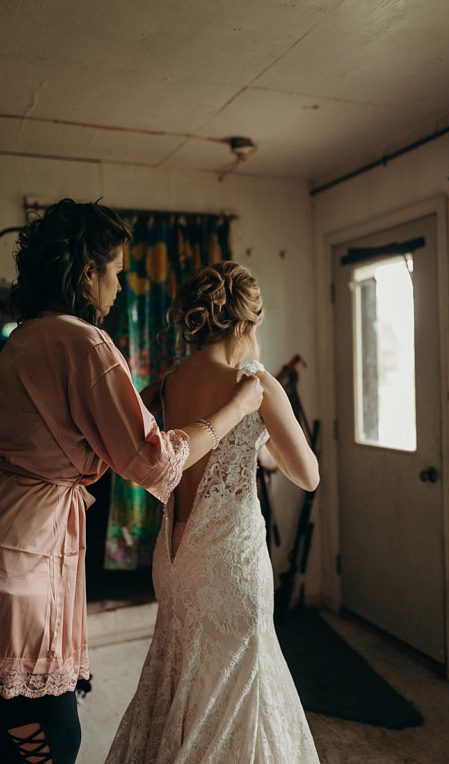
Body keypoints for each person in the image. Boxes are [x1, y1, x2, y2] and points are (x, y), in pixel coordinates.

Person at [0, 200, 263, 764]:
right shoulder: (86, 343)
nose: (120, 285)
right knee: (49, 736)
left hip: (13, 525)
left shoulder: (27, 337)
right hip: (28, 552)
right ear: (88, 271)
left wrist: (145, 404)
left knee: (26, 723)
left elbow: (79, 430)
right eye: (116, 270)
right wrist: (238, 406)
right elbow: (156, 465)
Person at [106, 261, 320, 763]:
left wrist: (260, 441)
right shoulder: (255, 385)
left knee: (182, 674)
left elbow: (205, 451)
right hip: (230, 563)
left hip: (176, 558)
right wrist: (268, 408)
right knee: (239, 689)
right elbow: (307, 474)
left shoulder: (172, 381)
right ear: (247, 323)